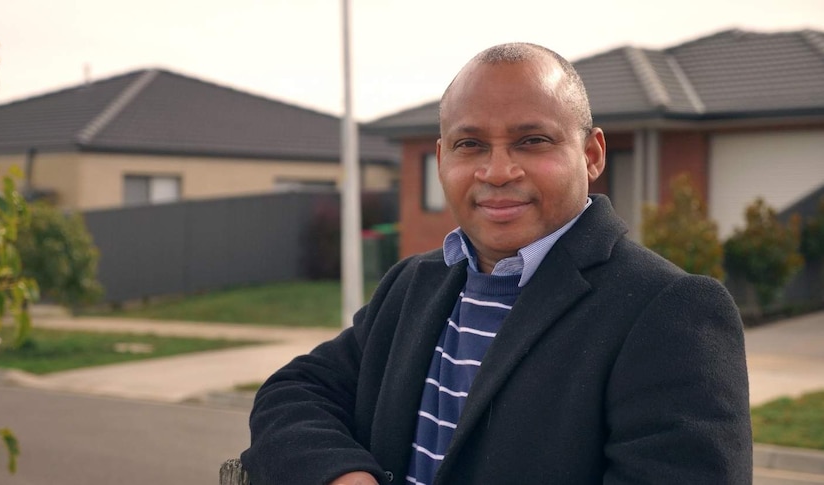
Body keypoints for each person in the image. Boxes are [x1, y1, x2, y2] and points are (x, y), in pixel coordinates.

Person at [241, 42, 752, 485]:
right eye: (471, 145)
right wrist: (343, 474)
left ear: (592, 154)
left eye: (532, 140)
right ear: (442, 158)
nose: (498, 170)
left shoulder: (670, 311)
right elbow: (294, 392)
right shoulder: (414, 285)